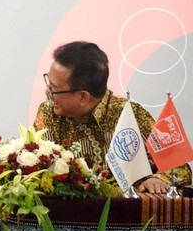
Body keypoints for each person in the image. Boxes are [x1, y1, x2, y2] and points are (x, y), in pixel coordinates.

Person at [34, 41, 191, 194]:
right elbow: (36, 166)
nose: (47, 93)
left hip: (126, 215)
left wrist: (159, 179)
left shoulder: (130, 114)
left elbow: (178, 166)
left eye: (54, 88)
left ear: (83, 97)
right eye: (49, 84)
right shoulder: (48, 112)